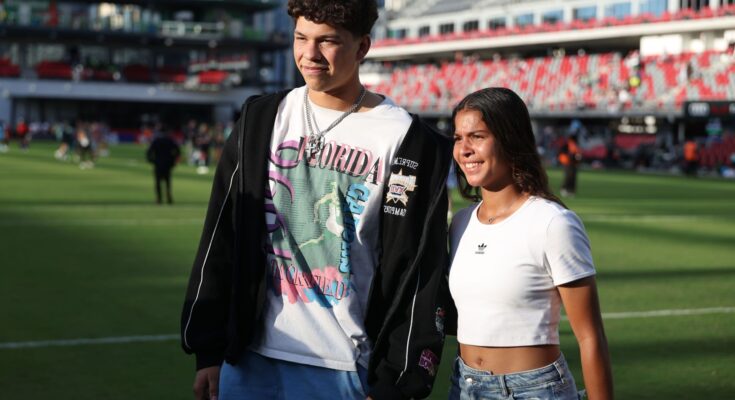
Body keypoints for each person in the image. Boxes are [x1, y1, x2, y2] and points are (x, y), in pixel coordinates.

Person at [180, 1, 453, 399]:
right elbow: (222, 235)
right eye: (301, 38)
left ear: (362, 47)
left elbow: (418, 270)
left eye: (327, 41)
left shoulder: (408, 140)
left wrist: (397, 381)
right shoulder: (262, 118)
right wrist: (208, 349)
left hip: (345, 369)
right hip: (249, 360)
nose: (310, 54)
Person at [448, 88, 613, 400]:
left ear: (510, 139)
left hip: (534, 391)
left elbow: (590, 337)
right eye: (458, 138)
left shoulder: (553, 223)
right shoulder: (460, 223)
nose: (464, 149)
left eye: (477, 136)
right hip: (463, 387)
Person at [146, 128, 181, 204]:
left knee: (158, 182)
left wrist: (152, 161)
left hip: (158, 164)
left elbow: (149, 152)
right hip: (168, 164)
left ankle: (159, 199)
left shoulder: (156, 141)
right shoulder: (170, 140)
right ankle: (169, 198)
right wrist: (173, 161)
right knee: (167, 182)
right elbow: (178, 151)